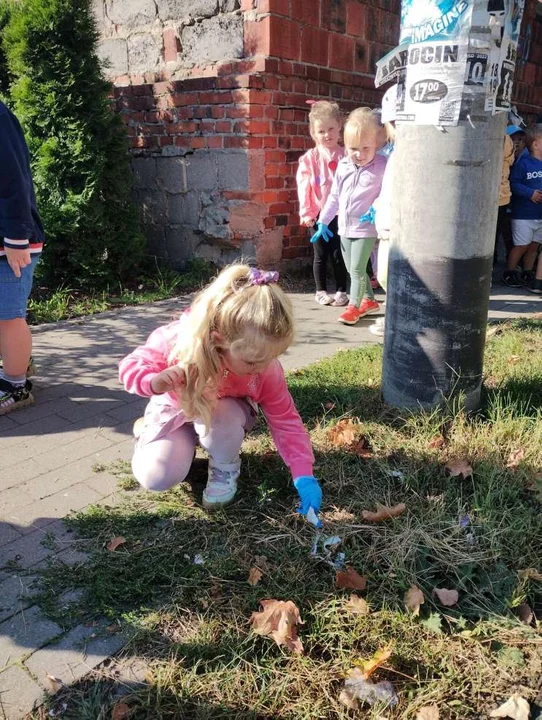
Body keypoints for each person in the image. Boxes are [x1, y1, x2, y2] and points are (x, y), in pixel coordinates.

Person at [119, 264, 322, 517]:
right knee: (156, 477)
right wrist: (152, 381)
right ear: (218, 340)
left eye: (273, 357)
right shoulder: (177, 341)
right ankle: (153, 434)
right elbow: (131, 365)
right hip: (176, 411)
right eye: (251, 361)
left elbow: (285, 420)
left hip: (222, 417)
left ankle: (224, 467)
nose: (262, 368)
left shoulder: (265, 368)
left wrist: (303, 474)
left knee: (222, 413)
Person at [313, 108, 387, 325]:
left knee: (356, 269)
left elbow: (387, 191)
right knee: (351, 267)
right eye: (353, 148)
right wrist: (323, 221)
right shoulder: (344, 165)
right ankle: (369, 301)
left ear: (376, 144)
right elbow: (334, 195)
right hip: (345, 226)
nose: (359, 154)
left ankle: (353, 307)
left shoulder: (382, 165)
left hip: (367, 227)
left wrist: (377, 207)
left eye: (366, 148)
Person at [0, 101, 44, 416]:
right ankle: (20, 362)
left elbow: (14, 179)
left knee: (8, 316)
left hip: (10, 245)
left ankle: (15, 386)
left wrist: (17, 238)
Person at [296, 101, 348, 307]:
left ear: (340, 127)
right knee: (320, 255)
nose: (327, 135)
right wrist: (307, 213)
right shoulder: (310, 159)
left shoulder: (346, 154)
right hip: (318, 214)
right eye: (321, 131)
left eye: (331, 129)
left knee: (339, 253)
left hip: (341, 214)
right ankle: (320, 290)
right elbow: (304, 186)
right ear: (313, 133)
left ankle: (342, 290)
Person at [369, 85, 397, 337]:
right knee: (386, 275)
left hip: (396, 228)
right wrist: (376, 208)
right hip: (387, 224)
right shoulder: (394, 153)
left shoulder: (405, 154)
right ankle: (394, 315)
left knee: (390, 276)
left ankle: (396, 318)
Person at [503, 124, 542, 288]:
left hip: (539, 214)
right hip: (523, 214)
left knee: (534, 245)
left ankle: (527, 272)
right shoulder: (523, 163)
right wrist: (530, 193)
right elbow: (514, 183)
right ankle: (509, 272)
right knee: (521, 245)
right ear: (536, 144)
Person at [494, 128, 516, 263]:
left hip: (500, 196)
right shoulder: (504, 139)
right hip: (501, 196)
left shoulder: (504, 139)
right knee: (494, 236)